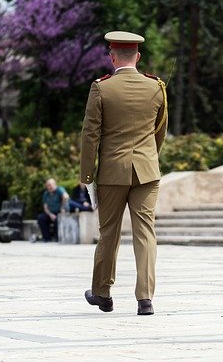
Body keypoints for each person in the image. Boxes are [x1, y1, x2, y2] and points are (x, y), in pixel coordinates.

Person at [80, 30, 168, 315]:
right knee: (145, 234)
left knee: (109, 234)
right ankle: (145, 298)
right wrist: (148, 158)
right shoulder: (156, 87)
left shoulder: (101, 88)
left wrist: (87, 176)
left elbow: (90, 136)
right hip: (146, 171)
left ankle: (103, 293)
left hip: (111, 173)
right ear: (138, 57)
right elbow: (160, 131)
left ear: (112, 56)